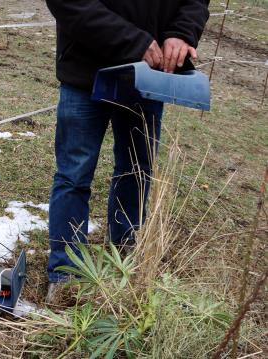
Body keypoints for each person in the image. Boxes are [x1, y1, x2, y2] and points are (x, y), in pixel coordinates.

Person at [44, 0, 210, 299]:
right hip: (86, 71)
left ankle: (123, 264)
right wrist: (134, 42)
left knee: (136, 172)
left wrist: (182, 32)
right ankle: (66, 275)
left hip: (148, 77)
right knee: (74, 176)